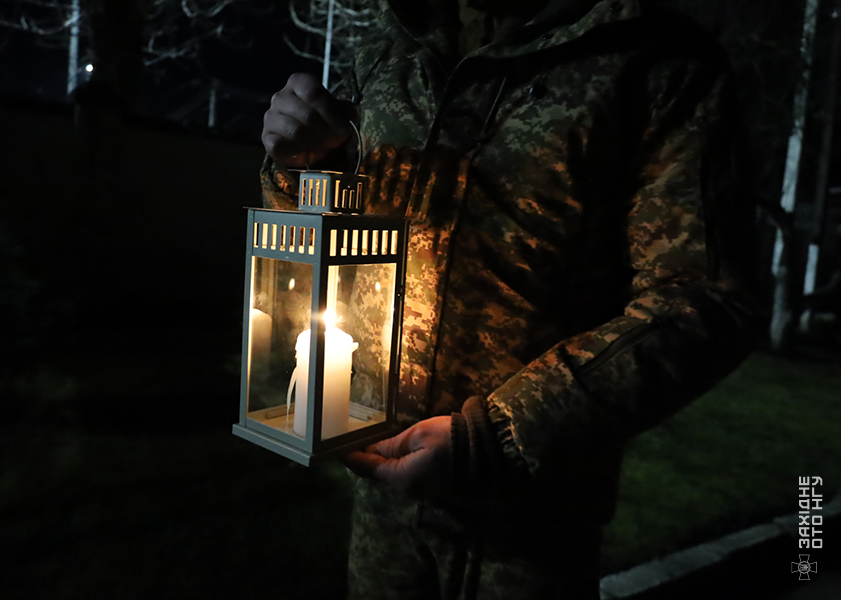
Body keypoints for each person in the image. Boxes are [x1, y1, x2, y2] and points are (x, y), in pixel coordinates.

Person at [260, 0, 763, 598]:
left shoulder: (653, 59)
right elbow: (325, 235)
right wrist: (303, 167)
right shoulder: (392, 52)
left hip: (527, 527)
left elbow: (704, 297)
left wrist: (499, 437)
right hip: (379, 504)